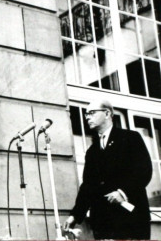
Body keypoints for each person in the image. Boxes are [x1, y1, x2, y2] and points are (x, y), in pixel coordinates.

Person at [64, 99, 152, 239]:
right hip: (103, 223)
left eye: (91, 113)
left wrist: (123, 192)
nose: (87, 117)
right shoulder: (92, 151)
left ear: (107, 113)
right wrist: (75, 215)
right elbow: (88, 186)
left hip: (129, 220)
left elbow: (144, 170)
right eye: (86, 114)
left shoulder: (130, 138)